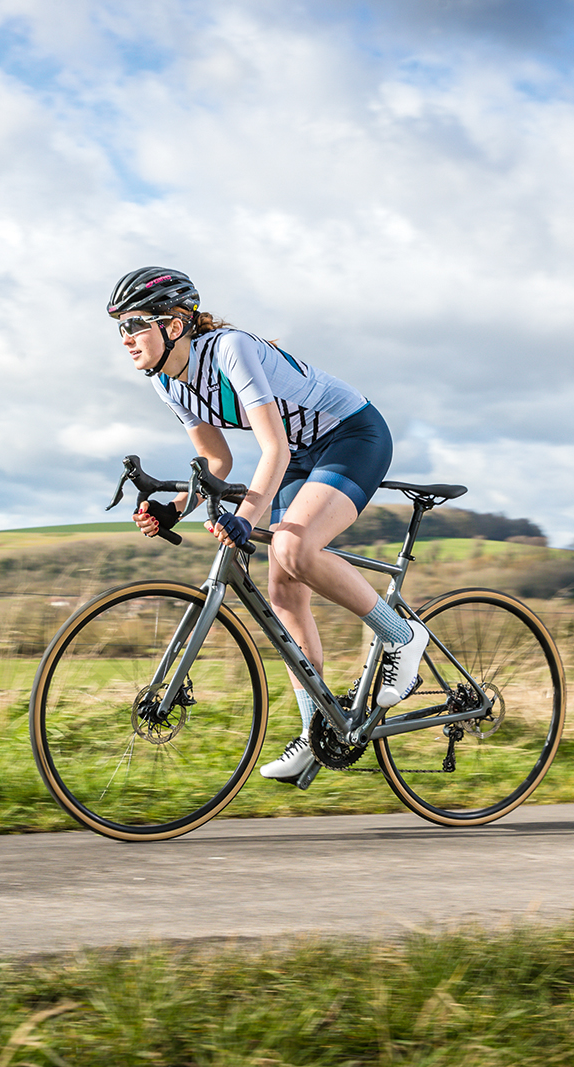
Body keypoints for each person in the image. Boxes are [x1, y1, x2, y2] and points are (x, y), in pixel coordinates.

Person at [108, 266, 430, 782]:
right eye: (120, 328)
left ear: (174, 325)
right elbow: (218, 465)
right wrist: (173, 510)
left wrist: (244, 518)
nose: (126, 339)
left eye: (135, 324)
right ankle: (319, 731)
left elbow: (273, 448)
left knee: (294, 550)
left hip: (351, 435)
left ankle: (402, 637)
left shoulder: (230, 350)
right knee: (283, 592)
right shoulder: (170, 384)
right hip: (300, 457)